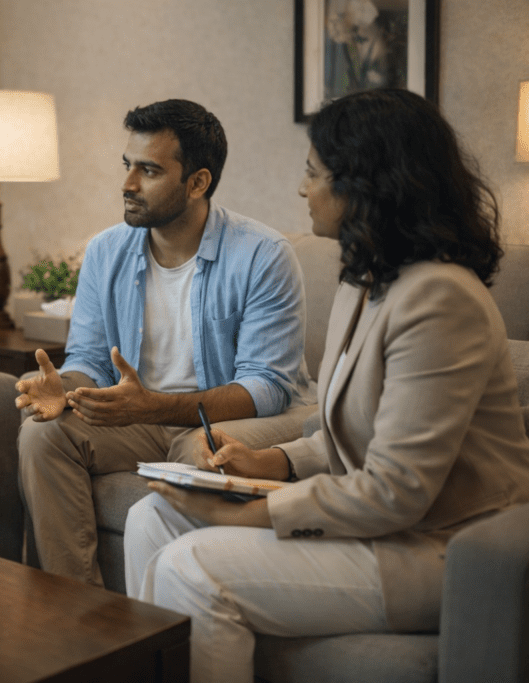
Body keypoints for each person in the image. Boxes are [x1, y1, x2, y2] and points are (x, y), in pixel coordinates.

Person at [123, 88, 529, 683]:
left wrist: (245, 517)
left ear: (365, 185)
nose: (300, 188)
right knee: (151, 517)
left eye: (313, 172)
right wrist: (268, 461)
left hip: (431, 550)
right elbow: (345, 431)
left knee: (191, 567)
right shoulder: (363, 280)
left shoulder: (441, 299)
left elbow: (396, 490)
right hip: (377, 528)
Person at [16, 99, 313, 585]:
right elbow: (90, 358)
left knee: (203, 449)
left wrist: (149, 406)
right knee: (42, 434)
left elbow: (266, 387)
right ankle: (75, 610)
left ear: (198, 182)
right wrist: (66, 388)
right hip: (142, 415)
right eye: (128, 165)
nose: (128, 184)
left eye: (149, 170)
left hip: (229, 417)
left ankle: (173, 621)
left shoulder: (263, 255)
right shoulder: (105, 250)